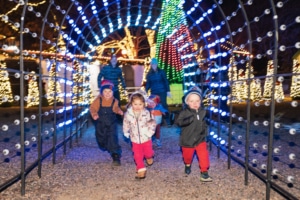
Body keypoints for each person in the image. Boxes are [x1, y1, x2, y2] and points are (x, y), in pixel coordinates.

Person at [175, 86, 212, 182]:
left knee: (203, 155)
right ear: (187, 102)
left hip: (200, 139)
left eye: (197, 101)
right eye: (191, 101)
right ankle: (187, 164)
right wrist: (189, 119)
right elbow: (179, 122)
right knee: (187, 156)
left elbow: (205, 123)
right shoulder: (184, 112)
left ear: (200, 101)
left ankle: (204, 172)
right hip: (187, 140)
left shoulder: (203, 112)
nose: (195, 103)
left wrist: (205, 133)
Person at [123, 91, 156, 179]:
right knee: (137, 155)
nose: (137, 107)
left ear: (144, 104)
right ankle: (141, 170)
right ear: (131, 103)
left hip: (146, 138)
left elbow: (152, 123)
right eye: (135, 104)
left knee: (148, 153)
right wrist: (126, 131)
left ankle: (149, 156)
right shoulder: (128, 114)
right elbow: (126, 123)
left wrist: (150, 133)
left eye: (140, 104)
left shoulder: (147, 114)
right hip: (135, 139)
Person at [89, 80, 124, 166]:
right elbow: (92, 108)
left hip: (111, 122)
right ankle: (104, 145)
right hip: (100, 122)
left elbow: (115, 108)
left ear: (113, 92)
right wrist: (94, 114)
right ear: (102, 92)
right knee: (101, 137)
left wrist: (119, 111)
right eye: (105, 91)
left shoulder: (115, 101)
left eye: (110, 91)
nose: (107, 93)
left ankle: (116, 155)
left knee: (113, 138)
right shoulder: (98, 100)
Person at [145, 58, 171, 126]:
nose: (154, 65)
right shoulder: (149, 74)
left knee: (164, 105)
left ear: (157, 64)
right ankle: (159, 120)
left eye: (155, 64)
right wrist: (145, 91)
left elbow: (166, 81)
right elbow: (148, 84)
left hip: (162, 91)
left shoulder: (162, 72)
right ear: (151, 65)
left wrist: (168, 91)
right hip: (154, 92)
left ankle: (168, 120)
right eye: (152, 64)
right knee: (155, 106)